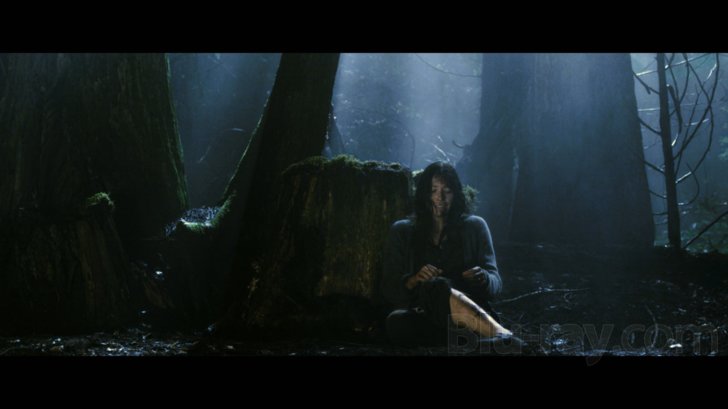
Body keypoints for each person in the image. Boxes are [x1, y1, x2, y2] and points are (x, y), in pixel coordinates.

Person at [380, 161, 517, 351]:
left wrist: (484, 278)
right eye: (433, 190)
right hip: (424, 315)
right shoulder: (402, 230)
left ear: (456, 194)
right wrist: (414, 280)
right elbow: (388, 288)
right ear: (424, 194)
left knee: (438, 286)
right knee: (396, 321)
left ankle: (501, 336)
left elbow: (495, 284)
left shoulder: (475, 227)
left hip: (474, 314)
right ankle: (483, 342)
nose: (440, 197)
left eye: (447, 191)